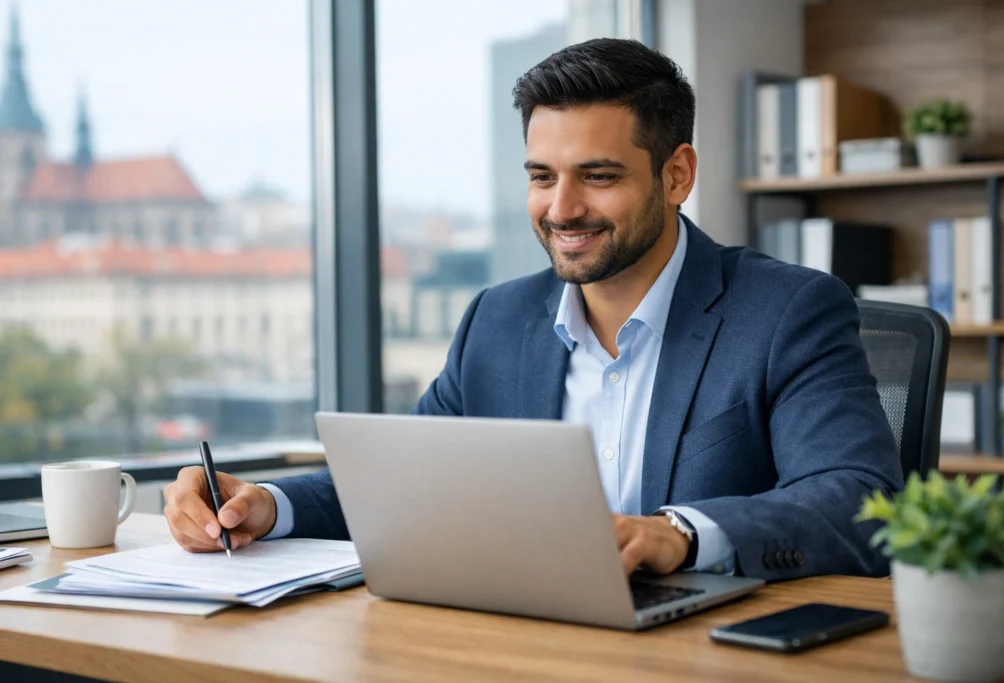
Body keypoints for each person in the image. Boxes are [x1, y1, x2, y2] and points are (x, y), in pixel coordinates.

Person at [163, 38, 903, 581]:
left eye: (599, 176)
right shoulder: (497, 320)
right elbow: (408, 482)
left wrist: (682, 532)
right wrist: (262, 502)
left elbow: (858, 496)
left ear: (677, 174)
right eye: (541, 175)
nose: (562, 207)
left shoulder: (788, 310)